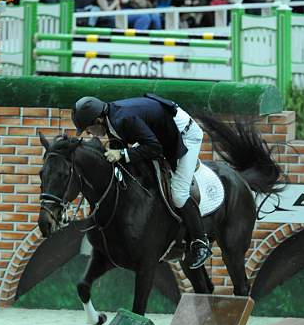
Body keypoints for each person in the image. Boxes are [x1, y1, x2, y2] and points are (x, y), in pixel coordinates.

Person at [72, 95, 212, 269]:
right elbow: (120, 145)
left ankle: (200, 242)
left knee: (178, 193)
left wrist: (123, 155)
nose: (88, 133)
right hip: (160, 131)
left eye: (87, 128)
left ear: (98, 120)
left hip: (184, 134)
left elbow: (155, 148)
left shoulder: (123, 118)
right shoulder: (110, 119)